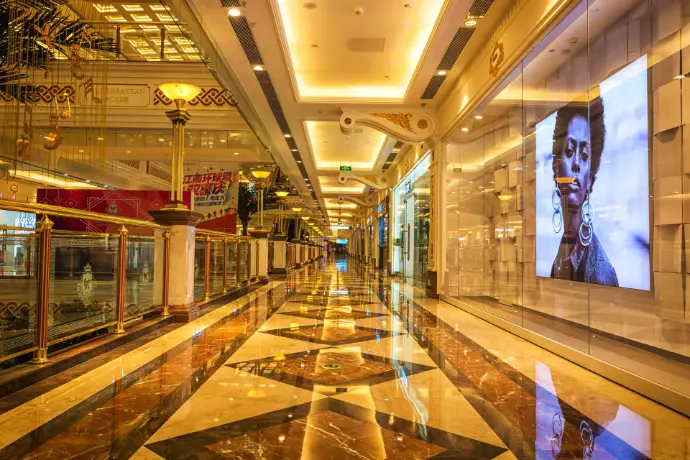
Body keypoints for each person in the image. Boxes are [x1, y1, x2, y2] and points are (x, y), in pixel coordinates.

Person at [549, 98, 618, 286]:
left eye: (585, 155)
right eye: (570, 151)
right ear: (556, 167)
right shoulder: (564, 248)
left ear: (590, 178)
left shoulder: (601, 271)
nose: (577, 164)